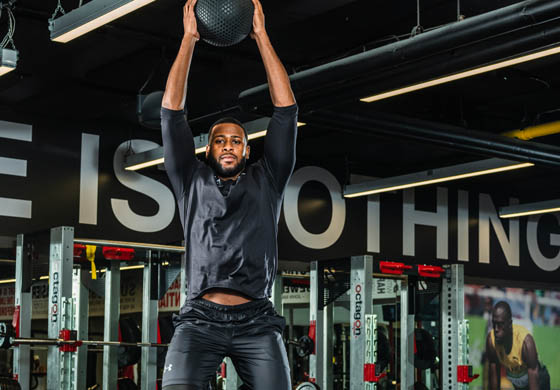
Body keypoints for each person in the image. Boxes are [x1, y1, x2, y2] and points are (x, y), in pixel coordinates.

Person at [160, 0, 298, 388]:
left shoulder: (268, 178)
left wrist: (261, 36)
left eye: (236, 141)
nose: (227, 146)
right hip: (200, 319)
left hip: (257, 320)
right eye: (219, 140)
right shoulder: (190, 179)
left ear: (247, 150)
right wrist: (189, 39)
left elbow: (286, 110)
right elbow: (171, 113)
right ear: (208, 150)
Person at [486, 301, 550, 390]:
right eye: (494, 323)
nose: (496, 329)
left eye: (500, 324)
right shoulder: (491, 340)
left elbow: (534, 383)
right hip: (519, 381)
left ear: (510, 324)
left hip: (539, 382)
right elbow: (494, 379)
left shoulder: (526, 343)